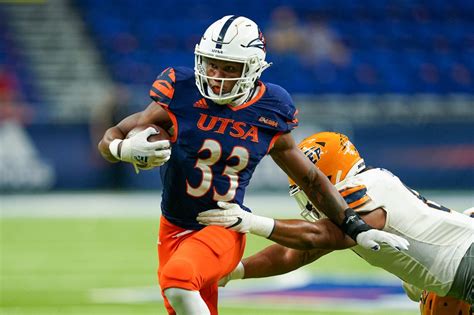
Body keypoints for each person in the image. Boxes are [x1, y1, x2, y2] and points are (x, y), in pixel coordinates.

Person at [98, 16, 407, 315]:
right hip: (171, 227)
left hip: (222, 225)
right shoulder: (181, 92)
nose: (217, 76)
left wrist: (353, 225)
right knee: (183, 297)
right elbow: (113, 137)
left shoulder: (269, 110)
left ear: (253, 69)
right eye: (211, 64)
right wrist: (122, 148)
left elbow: (311, 179)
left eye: (229, 68)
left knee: (178, 283)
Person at [197, 131, 473, 314]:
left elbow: (319, 237)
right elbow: (298, 252)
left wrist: (251, 222)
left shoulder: (365, 187)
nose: (308, 195)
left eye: (309, 183)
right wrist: (235, 271)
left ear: (329, 176)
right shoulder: (363, 195)